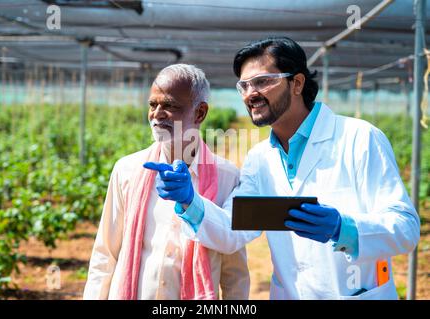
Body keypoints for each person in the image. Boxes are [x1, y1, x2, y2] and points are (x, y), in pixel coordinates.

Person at [147, 37, 420, 299]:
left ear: (297, 83)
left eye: (262, 82)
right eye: (244, 86)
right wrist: (189, 201)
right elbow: (234, 229)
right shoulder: (259, 159)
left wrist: (342, 228)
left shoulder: (359, 138)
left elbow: (405, 228)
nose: (250, 94)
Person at [83, 64, 250, 300]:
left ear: (200, 112)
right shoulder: (128, 170)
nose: (157, 114)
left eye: (170, 105)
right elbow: (105, 254)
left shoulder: (227, 177)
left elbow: (234, 272)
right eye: (153, 104)